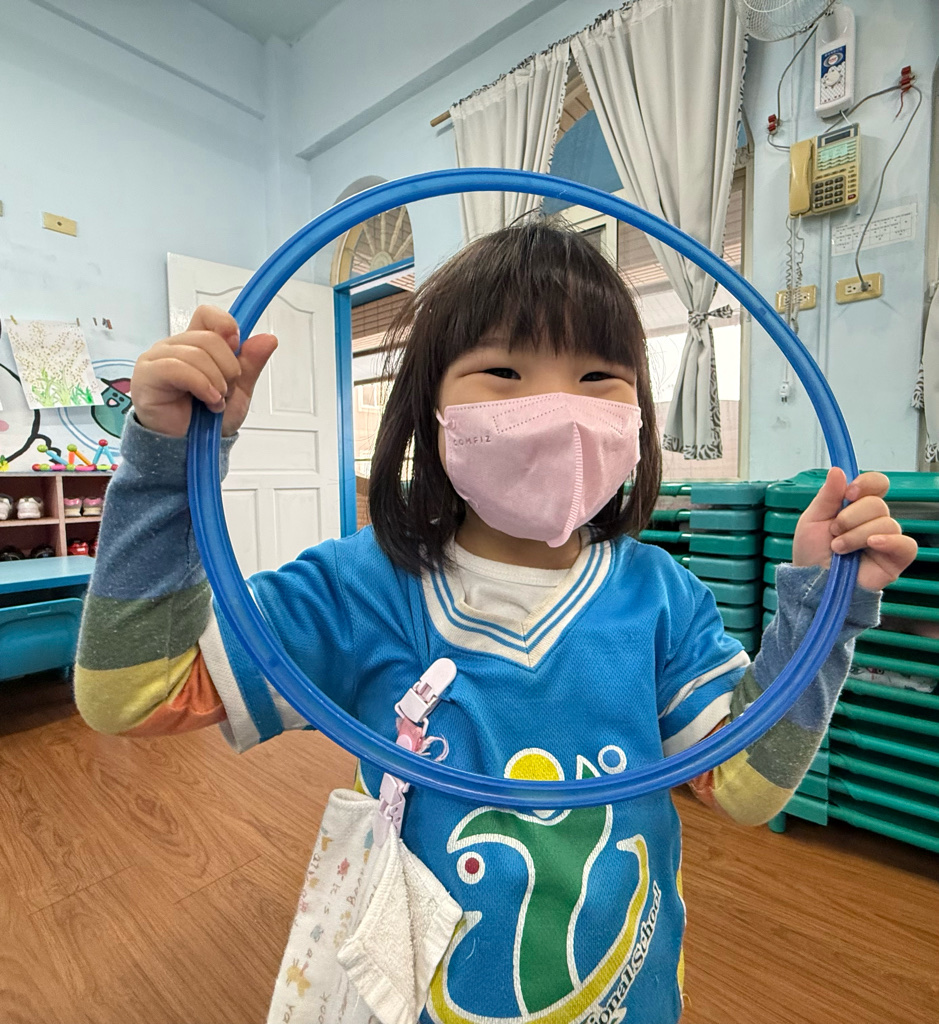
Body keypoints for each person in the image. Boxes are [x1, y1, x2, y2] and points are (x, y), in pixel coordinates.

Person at [75, 223, 916, 1024]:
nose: (556, 409)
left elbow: (745, 788)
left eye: (598, 378)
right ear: (430, 407)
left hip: (629, 995)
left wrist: (823, 610)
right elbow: (131, 695)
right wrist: (165, 466)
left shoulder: (662, 595)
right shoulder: (360, 588)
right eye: (504, 372)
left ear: (638, 415)